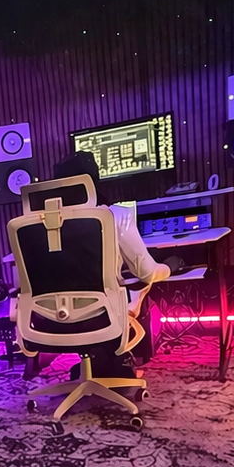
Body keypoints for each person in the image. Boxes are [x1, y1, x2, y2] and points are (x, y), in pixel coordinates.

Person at [50, 150, 171, 373]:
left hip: (53, 319)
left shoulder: (35, 225)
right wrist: (170, 267)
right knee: (141, 284)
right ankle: (119, 356)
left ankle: (98, 361)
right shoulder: (116, 215)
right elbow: (147, 273)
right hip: (102, 316)